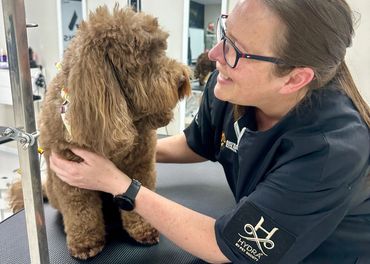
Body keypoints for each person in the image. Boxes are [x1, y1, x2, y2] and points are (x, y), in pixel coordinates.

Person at [50, 0, 370, 263]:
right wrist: (114, 157)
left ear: (294, 79)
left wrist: (118, 184)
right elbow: (197, 143)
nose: (215, 54)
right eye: (224, 31)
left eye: (236, 50)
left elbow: (227, 246)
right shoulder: (229, 87)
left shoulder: (331, 150)